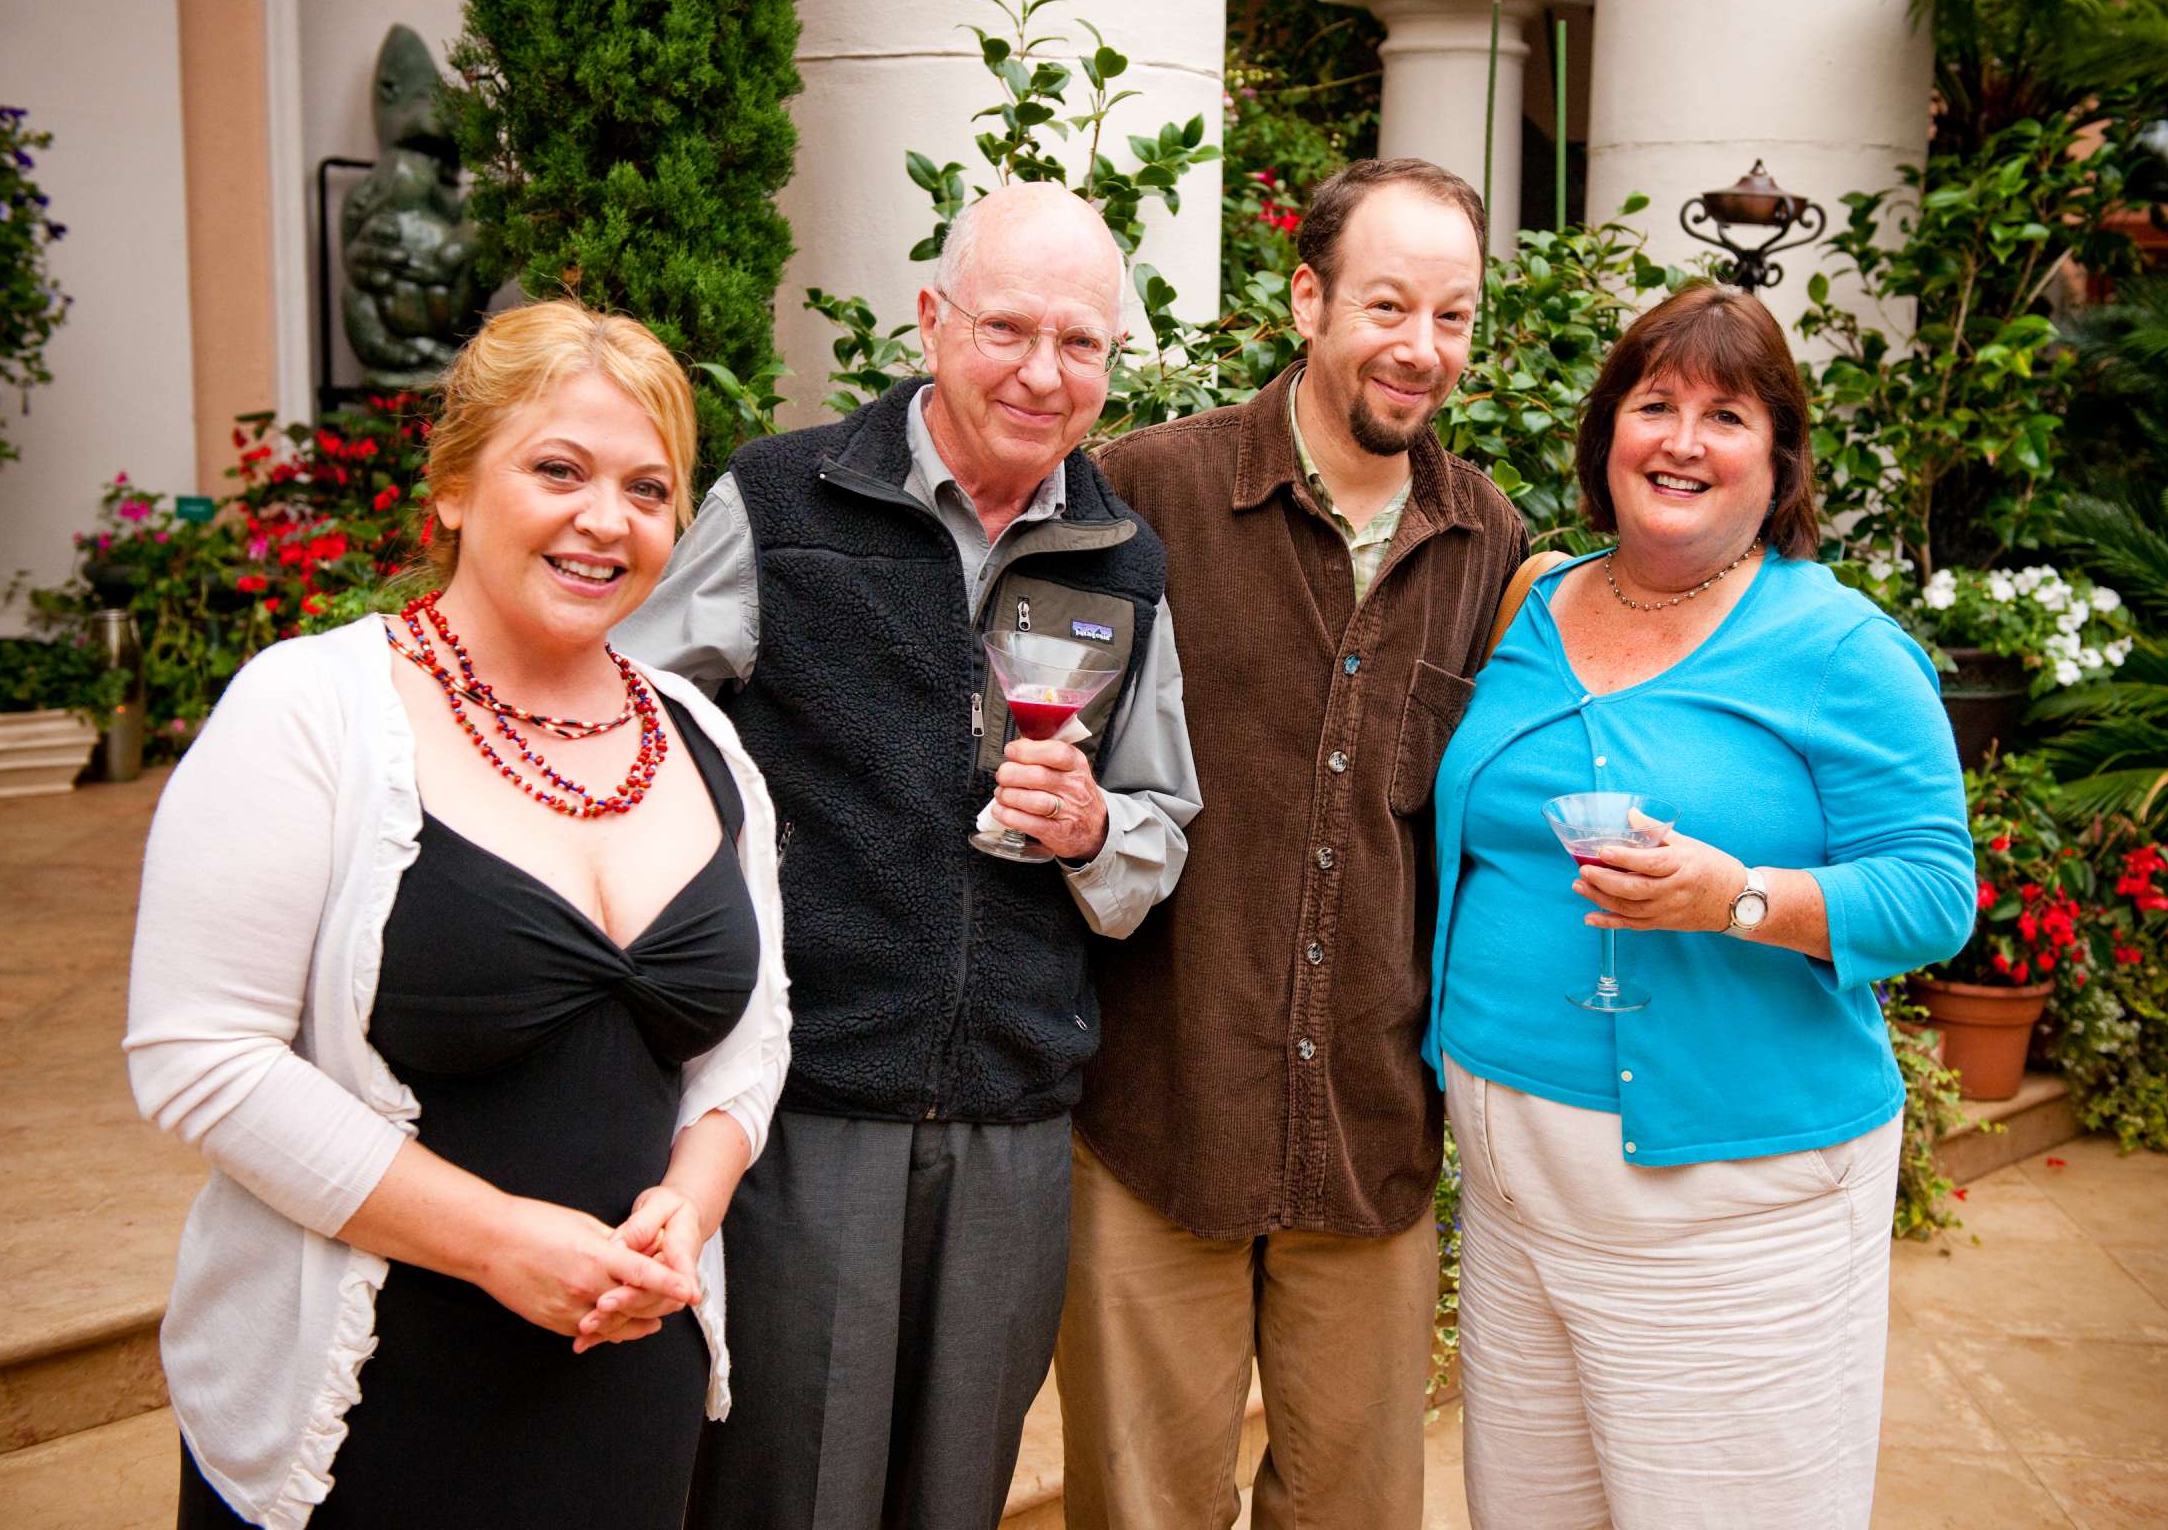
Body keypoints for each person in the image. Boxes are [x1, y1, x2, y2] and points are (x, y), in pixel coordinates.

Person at [127, 300, 791, 1530]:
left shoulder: (703, 742)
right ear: (449, 488)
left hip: (623, 1385)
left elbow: (750, 1043)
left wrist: (687, 1209)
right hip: (375, 1409)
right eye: (558, 469)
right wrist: (497, 1242)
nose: (607, 518)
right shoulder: (309, 710)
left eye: (649, 488)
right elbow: (196, 1056)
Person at [615, 182, 1199, 1530]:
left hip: (1012, 1120)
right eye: (1005, 329)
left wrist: (1097, 832)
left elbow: (1162, 817)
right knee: (784, 1490)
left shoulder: (1123, 562)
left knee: (958, 1494)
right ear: (931, 321)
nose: (1042, 375)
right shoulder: (781, 500)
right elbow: (632, 736)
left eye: (1082, 344)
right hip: (807, 1108)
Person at [1428, 280, 1976, 1526]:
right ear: (1605, 433)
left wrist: (1738, 897)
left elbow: (1936, 893)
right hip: (1513, 1197)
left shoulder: (1841, 649)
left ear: (1778, 462)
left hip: (1733, 1212)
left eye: (1727, 416)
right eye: (1654, 403)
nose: (1681, 438)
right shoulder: (1533, 599)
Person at [1055, 158, 1529, 1528]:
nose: (1420, 350)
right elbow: (1039, 759)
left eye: (1452, 317)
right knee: (1141, 1511)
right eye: (1389, 305)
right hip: (1160, 1118)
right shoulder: (1142, 493)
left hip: (1369, 1137)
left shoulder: (1486, 541)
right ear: (1308, 299)